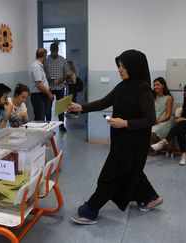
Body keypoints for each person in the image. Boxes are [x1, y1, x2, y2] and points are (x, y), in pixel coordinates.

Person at [68, 50, 162, 225]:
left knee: (111, 174)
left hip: (134, 141)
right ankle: (150, 197)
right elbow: (104, 102)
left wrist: (125, 123)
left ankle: (91, 210)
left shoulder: (143, 89)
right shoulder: (123, 86)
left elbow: (150, 119)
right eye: (119, 66)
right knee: (131, 170)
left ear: (134, 67)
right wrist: (81, 107)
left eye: (123, 66)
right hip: (121, 138)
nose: (119, 70)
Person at [151, 81, 186, 165]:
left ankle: (163, 143)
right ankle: (183, 155)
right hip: (184, 125)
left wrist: (183, 119)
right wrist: (179, 118)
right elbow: (184, 112)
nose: (185, 96)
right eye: (184, 93)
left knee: (181, 125)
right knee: (180, 128)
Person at [44, 42, 71, 132]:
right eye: (53, 51)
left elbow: (68, 73)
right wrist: (47, 78)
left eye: (56, 51)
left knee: (61, 107)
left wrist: (62, 78)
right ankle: (48, 126)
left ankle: (61, 125)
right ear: (50, 50)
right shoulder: (46, 60)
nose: (54, 53)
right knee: (48, 107)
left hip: (60, 87)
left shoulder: (63, 60)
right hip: (49, 88)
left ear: (58, 50)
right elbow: (42, 74)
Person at [149, 77, 173, 155]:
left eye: (158, 85)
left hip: (164, 122)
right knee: (144, 130)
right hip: (153, 120)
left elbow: (168, 115)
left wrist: (158, 121)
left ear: (163, 86)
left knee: (152, 133)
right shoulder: (152, 97)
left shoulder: (168, 98)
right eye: (154, 85)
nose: (156, 87)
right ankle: (154, 147)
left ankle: (161, 147)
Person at [30, 48, 54, 121]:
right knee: (40, 118)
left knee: (42, 116)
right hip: (38, 96)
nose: (46, 58)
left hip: (41, 95)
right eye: (46, 56)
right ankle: (39, 132)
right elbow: (38, 84)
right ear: (44, 55)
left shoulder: (38, 66)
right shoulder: (36, 66)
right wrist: (49, 93)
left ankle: (44, 132)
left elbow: (41, 82)